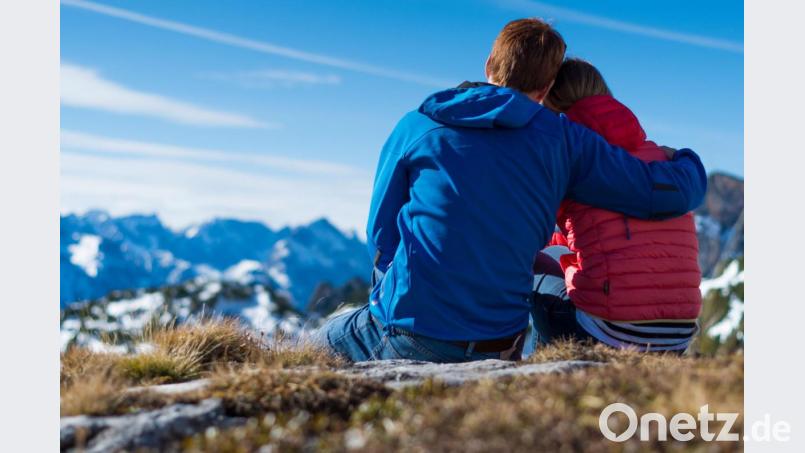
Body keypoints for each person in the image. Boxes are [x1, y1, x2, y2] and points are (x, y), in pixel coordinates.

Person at [312, 18, 707, 363]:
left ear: (488, 65)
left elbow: (382, 237)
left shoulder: (417, 126)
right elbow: (659, 193)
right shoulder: (564, 138)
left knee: (313, 342)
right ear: (548, 84)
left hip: (409, 333)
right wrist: (686, 160)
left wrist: (399, 302)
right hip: (502, 341)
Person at [529, 59, 702, 352]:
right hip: (680, 332)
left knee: (533, 272)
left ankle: (543, 376)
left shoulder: (569, 159)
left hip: (610, 331)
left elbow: (530, 231)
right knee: (563, 257)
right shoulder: (664, 159)